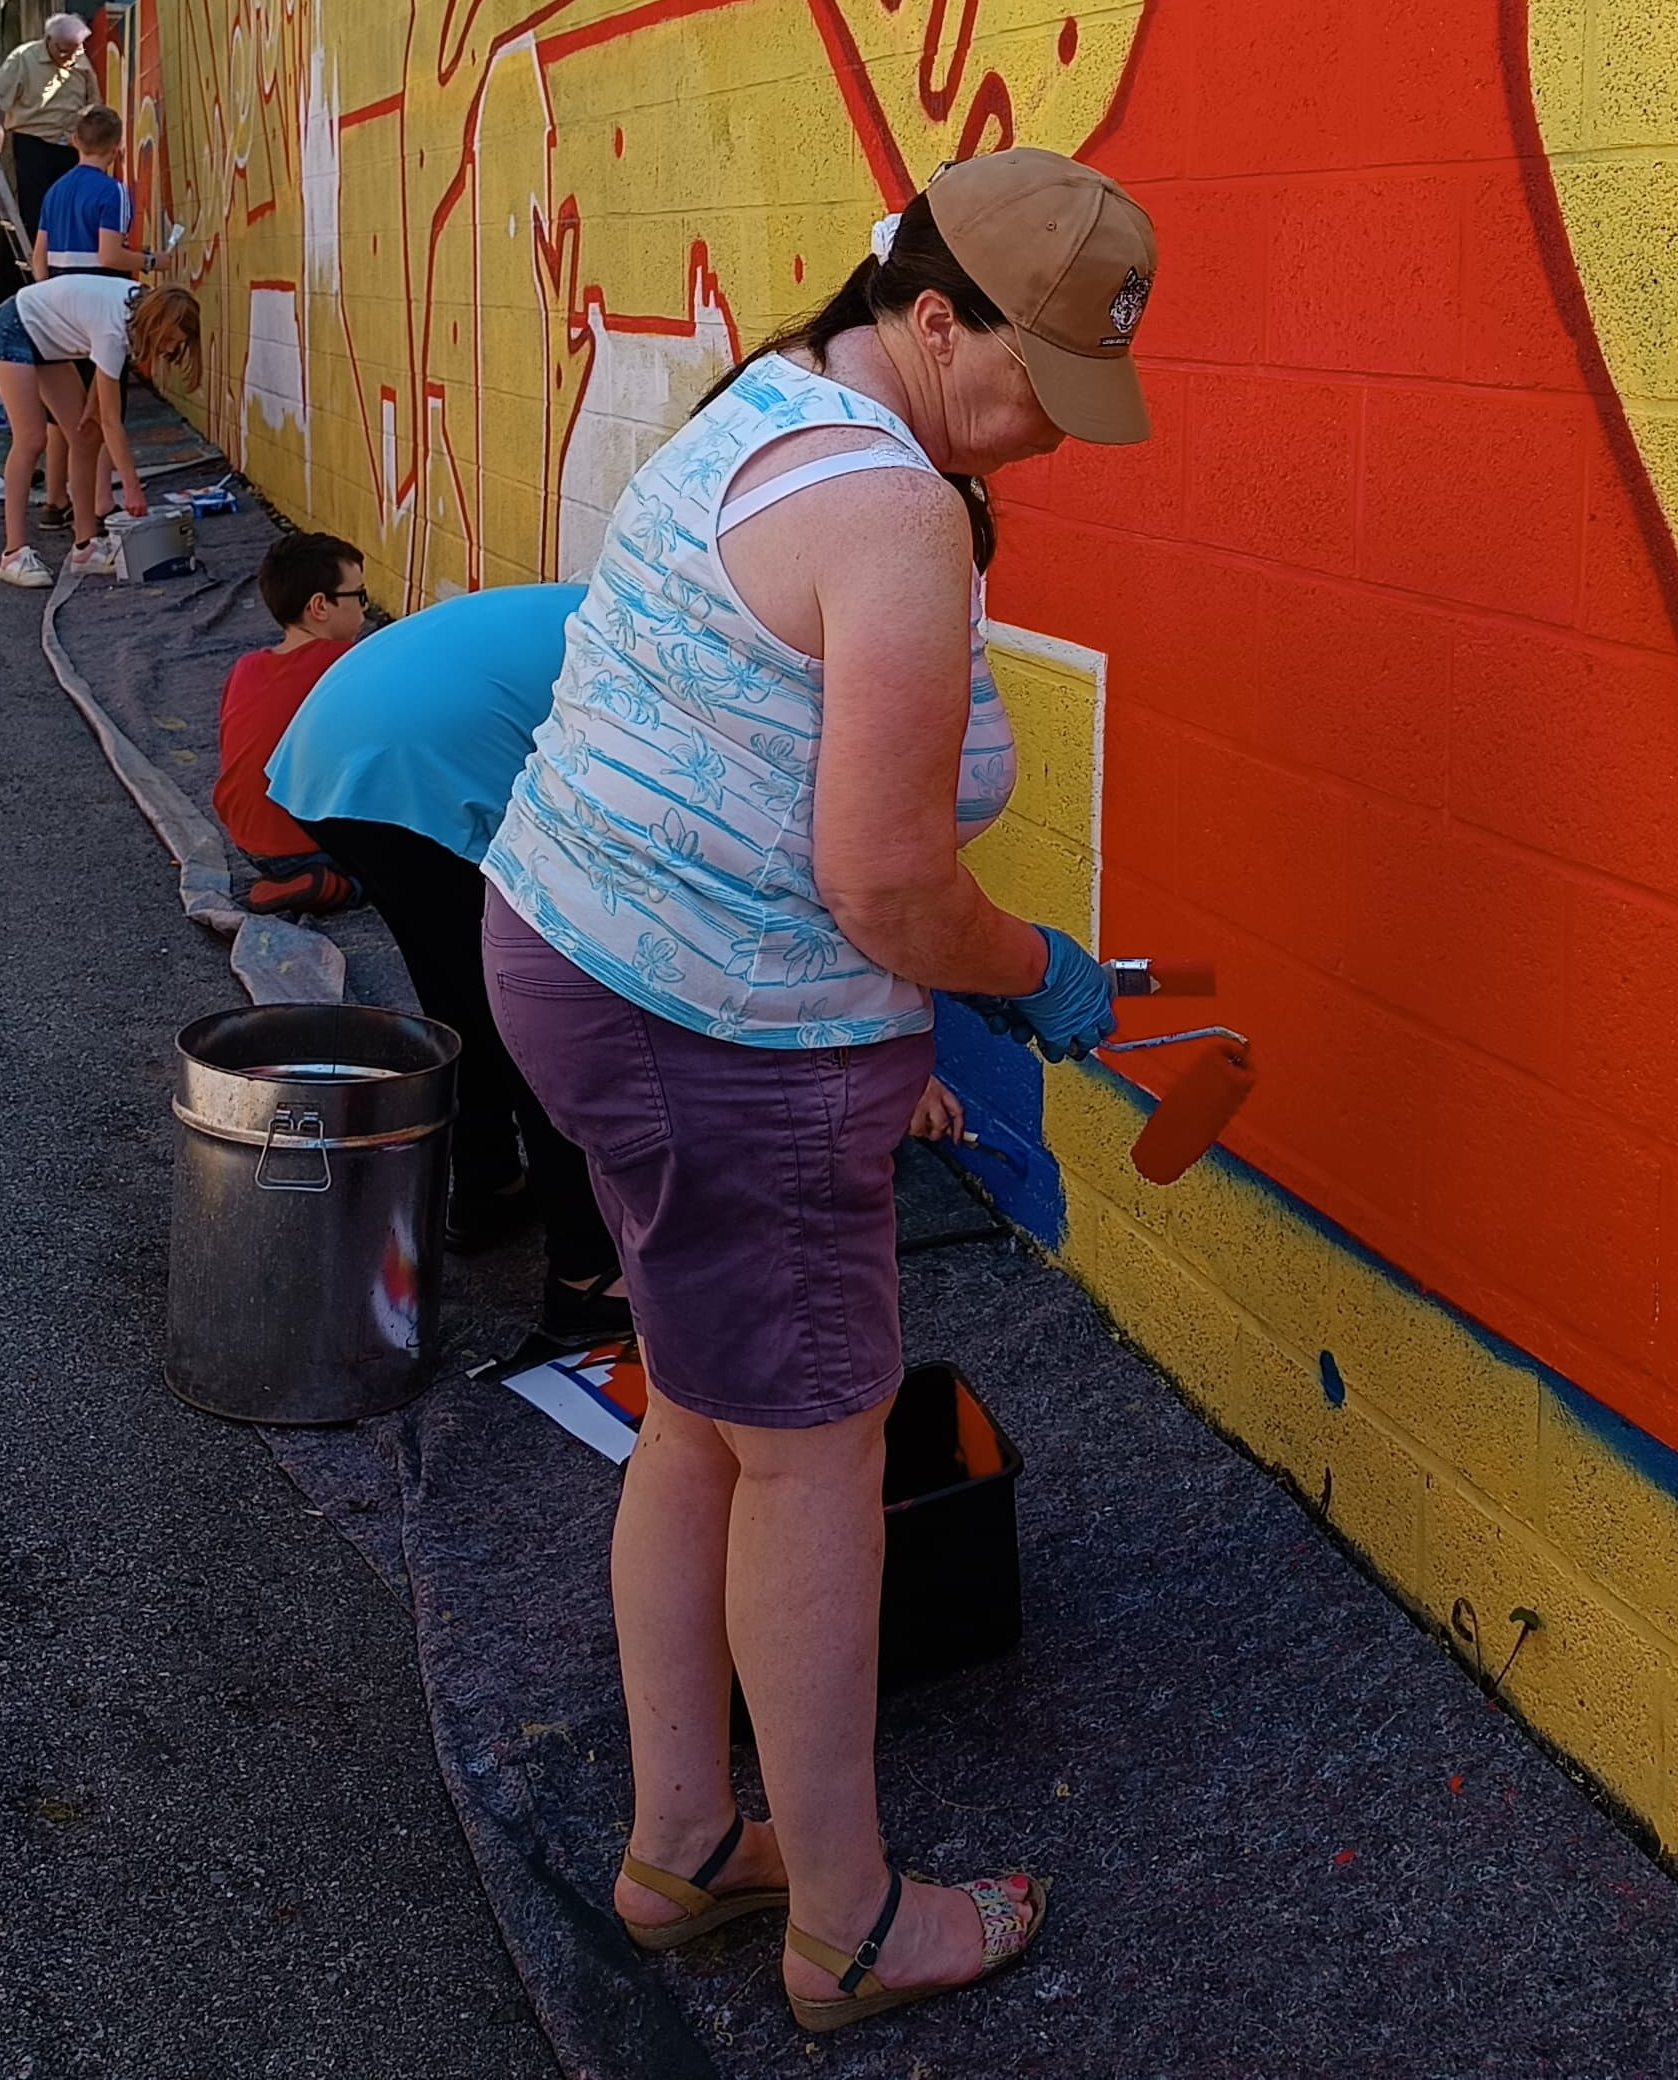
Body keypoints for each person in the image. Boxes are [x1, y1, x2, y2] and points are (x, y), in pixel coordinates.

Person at [479, 147, 1155, 2033]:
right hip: (726, 1039)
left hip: (580, 963)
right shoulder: (895, 513)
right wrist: (1041, 983)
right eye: (1033, 387)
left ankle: (687, 1841)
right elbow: (881, 881)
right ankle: (845, 1922)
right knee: (810, 1454)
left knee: (701, 1416)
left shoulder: (769, 407)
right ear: (931, 321)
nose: (1049, 440)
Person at [267, 579, 626, 1344]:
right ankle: (585, 1272)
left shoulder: (612, 602)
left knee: (456, 985)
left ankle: (488, 1186)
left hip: (325, 762)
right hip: (404, 775)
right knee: (536, 1011)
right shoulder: (670, 658)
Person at [0, 274, 197, 587]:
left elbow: (103, 372)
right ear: (159, 324)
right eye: (171, 339)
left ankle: (85, 547)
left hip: (48, 342)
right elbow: (112, 420)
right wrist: (131, 486)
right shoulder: (114, 326)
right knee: (31, 439)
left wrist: (92, 403)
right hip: (13, 329)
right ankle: (13, 553)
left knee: (85, 434)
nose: (172, 348)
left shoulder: (136, 310)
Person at [217, 530, 370, 916]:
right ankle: (334, 885)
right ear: (320, 606)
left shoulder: (245, 667)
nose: (366, 609)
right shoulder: (347, 664)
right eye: (359, 596)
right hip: (309, 845)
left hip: (249, 844)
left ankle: (294, 880)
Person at [0, 13, 96, 300]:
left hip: (70, 147)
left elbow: (94, 101)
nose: (71, 56)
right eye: (65, 50)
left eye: (77, 49)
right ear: (49, 41)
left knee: (65, 218)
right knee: (32, 219)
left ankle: (54, 292)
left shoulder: (80, 60)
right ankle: (13, 294)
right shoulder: (24, 58)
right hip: (34, 144)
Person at [34, 103, 140, 276]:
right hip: (101, 291)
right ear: (116, 148)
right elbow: (110, 257)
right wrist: (151, 261)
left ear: (75, 140)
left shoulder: (55, 190)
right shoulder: (114, 190)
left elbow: (39, 258)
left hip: (59, 291)